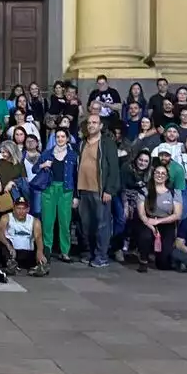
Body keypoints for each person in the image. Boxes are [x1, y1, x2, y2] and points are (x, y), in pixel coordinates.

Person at [74, 114, 120, 268]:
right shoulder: (82, 144)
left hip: (99, 190)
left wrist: (109, 190)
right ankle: (91, 253)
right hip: (83, 189)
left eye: (95, 122)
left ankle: (101, 256)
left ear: (101, 126)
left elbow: (113, 168)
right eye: (89, 123)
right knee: (87, 225)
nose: (91, 125)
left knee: (102, 224)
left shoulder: (107, 143)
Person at [34, 128, 77, 263]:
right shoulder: (47, 153)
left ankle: (65, 252)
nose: (60, 139)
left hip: (66, 190)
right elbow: (35, 169)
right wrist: (43, 164)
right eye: (58, 136)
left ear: (67, 138)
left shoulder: (72, 155)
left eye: (63, 136)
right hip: (49, 189)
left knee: (65, 222)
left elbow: (76, 176)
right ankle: (47, 250)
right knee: (47, 222)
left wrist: (76, 196)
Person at [133, 163, 182, 273]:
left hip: (166, 222)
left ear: (167, 176)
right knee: (145, 236)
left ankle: (161, 258)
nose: (160, 175)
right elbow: (141, 213)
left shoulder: (174, 192)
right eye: (157, 173)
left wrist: (158, 221)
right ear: (153, 174)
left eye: (163, 173)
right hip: (148, 222)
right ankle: (143, 260)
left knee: (163, 264)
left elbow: (177, 214)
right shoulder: (144, 190)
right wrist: (151, 225)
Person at [0, 196, 47, 276]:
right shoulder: (6, 217)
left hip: (27, 252)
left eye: (23, 209)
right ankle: (11, 266)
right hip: (12, 252)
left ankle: (40, 266)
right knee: (0, 242)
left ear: (28, 209)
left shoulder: (35, 221)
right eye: (18, 208)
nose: (21, 211)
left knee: (45, 248)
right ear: (14, 208)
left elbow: (38, 237)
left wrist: (39, 251)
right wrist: (8, 245)